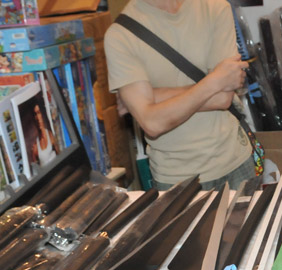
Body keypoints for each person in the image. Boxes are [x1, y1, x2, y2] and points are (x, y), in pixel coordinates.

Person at [105, 0, 254, 191]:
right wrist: (214, 81)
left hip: (236, 161)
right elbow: (152, 123)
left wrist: (152, 98)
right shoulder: (119, 36)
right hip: (176, 178)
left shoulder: (214, 7)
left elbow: (223, 98)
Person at [29, 103, 57, 170]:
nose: (38, 118)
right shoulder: (35, 148)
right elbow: (36, 171)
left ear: (42, 114)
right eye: (35, 114)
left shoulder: (51, 135)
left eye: (38, 113)